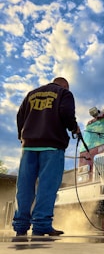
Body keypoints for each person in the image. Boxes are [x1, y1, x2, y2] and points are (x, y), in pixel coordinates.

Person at [12, 77, 80, 237]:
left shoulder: (31, 94)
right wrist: (74, 127)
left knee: (24, 186)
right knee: (47, 186)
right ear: (65, 85)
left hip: (28, 146)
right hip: (52, 145)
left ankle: (20, 226)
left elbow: (19, 116)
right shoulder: (64, 93)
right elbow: (66, 112)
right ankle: (41, 225)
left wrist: (22, 136)